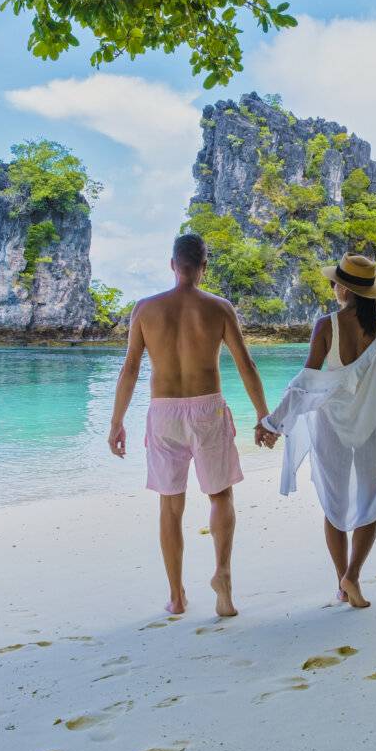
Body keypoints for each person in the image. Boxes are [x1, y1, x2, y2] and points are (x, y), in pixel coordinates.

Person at [108, 232, 271, 618]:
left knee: (170, 504)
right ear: (203, 266)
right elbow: (246, 364)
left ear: (171, 265)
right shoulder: (219, 308)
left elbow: (130, 368)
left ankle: (177, 596)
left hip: (164, 412)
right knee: (221, 496)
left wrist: (116, 422)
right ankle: (223, 578)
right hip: (207, 410)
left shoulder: (145, 309)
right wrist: (263, 416)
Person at [256, 254, 376, 609]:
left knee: (335, 506)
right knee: (370, 504)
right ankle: (353, 576)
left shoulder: (326, 325)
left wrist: (272, 423)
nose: (332, 287)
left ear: (344, 288)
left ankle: (342, 583)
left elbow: (305, 385)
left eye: (335, 282)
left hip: (333, 426)